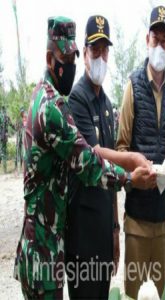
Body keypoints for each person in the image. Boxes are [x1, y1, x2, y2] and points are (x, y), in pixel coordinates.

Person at [13, 16, 156, 300]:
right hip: (43, 248)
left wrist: (114, 228)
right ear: (49, 58)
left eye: (73, 56)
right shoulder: (52, 108)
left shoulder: (42, 96)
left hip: (45, 243)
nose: (70, 64)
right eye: (65, 57)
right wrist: (129, 179)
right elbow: (88, 162)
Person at [116, 6, 165, 298]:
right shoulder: (132, 86)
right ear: (147, 40)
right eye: (155, 39)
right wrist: (135, 176)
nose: (159, 46)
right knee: (131, 294)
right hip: (136, 223)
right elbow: (121, 148)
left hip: (164, 223)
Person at [65, 15, 120, 299]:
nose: (100, 56)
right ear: (84, 53)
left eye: (104, 50)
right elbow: (96, 157)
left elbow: (111, 178)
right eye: (94, 50)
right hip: (82, 232)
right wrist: (133, 164)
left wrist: (115, 228)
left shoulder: (108, 105)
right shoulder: (77, 99)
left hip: (102, 230)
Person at [0, 106, 15, 172]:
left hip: (1, 136)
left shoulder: (1, 115)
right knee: (4, 152)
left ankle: (4, 169)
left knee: (2, 151)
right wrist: (16, 128)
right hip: (5, 136)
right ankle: (5, 169)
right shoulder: (6, 117)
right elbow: (11, 125)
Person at [15, 107, 27, 172]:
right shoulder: (19, 120)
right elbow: (16, 128)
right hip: (19, 139)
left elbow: (26, 128)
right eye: (21, 112)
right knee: (18, 153)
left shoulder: (25, 119)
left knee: (23, 153)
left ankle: (23, 168)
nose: (22, 113)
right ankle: (18, 168)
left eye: (23, 112)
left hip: (23, 140)